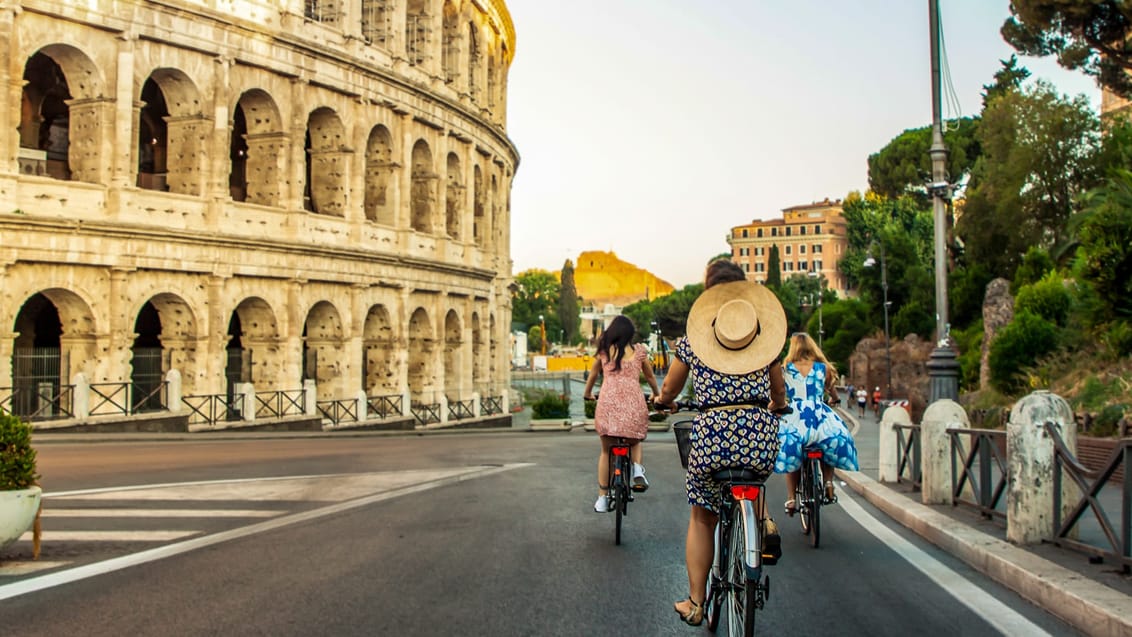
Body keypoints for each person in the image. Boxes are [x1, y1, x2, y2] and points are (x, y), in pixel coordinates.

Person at [652, 259, 787, 627]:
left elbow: (669, 389)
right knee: (754, 476)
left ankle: (696, 602)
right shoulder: (764, 336)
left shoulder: (693, 341)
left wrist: (663, 402)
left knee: (701, 515)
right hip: (759, 435)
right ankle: (763, 520)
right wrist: (777, 405)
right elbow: (779, 392)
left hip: (712, 435)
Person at [582, 315, 660, 513]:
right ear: (630, 334)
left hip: (608, 403)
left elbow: (592, 375)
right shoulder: (640, 351)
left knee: (606, 452)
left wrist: (587, 394)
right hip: (634, 402)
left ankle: (602, 497)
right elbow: (650, 377)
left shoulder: (604, 352)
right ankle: (637, 469)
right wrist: (657, 395)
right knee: (634, 441)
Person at [775, 333, 860, 514]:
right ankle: (828, 482)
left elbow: (780, 393)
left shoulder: (786, 369)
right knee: (829, 440)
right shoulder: (823, 368)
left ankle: (791, 499)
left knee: (792, 452)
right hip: (818, 414)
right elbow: (833, 393)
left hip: (796, 415)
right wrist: (835, 400)